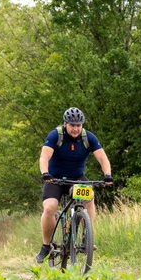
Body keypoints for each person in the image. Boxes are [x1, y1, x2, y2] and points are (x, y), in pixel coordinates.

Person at [36, 107, 113, 263]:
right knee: (50, 208)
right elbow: (44, 157)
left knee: (89, 198)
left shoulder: (88, 137)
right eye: (72, 125)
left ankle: (86, 237)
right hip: (55, 178)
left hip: (77, 178)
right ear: (65, 124)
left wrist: (107, 175)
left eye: (78, 125)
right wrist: (45, 173)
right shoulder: (55, 135)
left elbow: (102, 158)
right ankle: (46, 245)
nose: (75, 129)